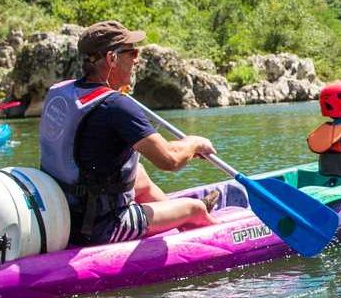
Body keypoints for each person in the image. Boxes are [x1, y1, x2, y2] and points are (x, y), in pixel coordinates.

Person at [39, 20, 219, 246]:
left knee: (139, 174)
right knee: (194, 207)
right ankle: (200, 220)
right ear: (111, 59)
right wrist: (194, 144)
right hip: (98, 227)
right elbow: (170, 160)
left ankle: (176, 220)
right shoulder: (116, 106)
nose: (136, 59)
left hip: (62, 211)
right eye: (132, 52)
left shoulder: (61, 91)